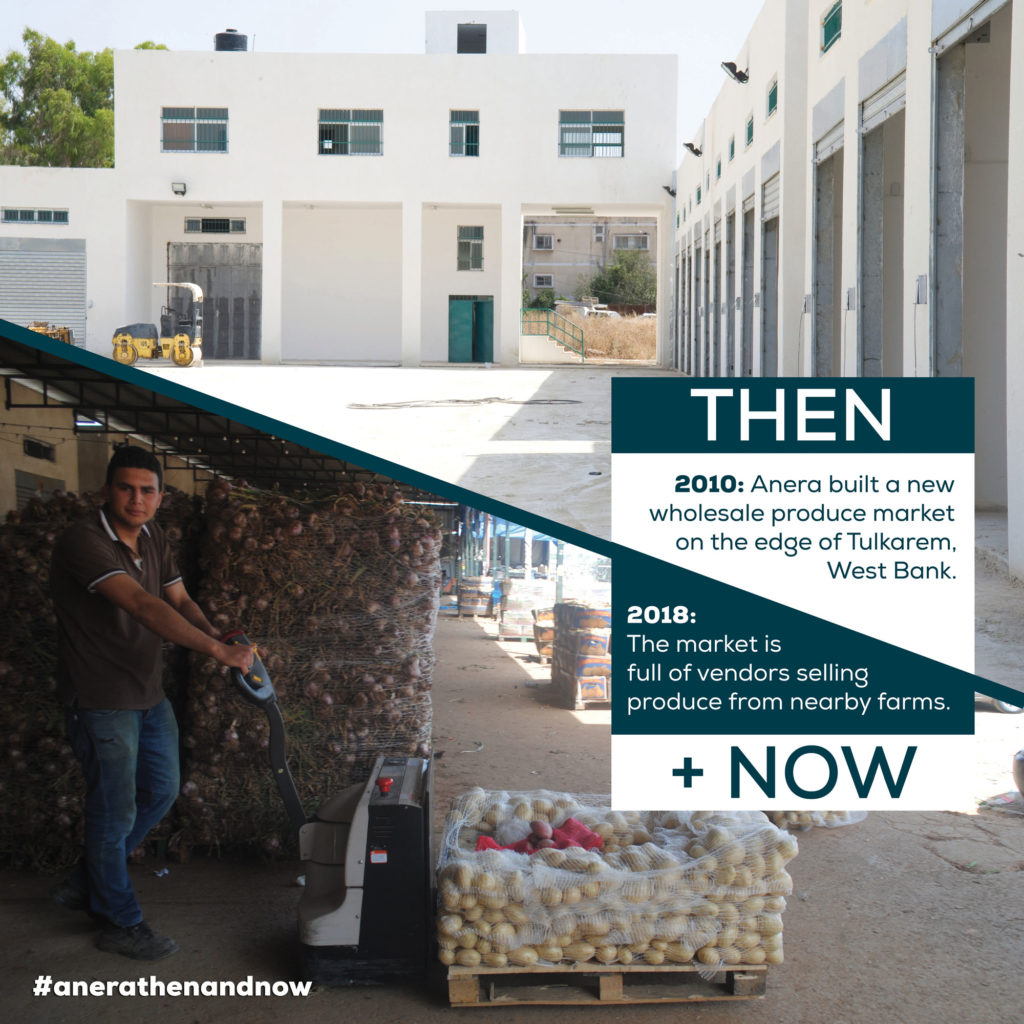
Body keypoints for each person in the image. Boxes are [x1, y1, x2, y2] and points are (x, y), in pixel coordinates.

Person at [49, 446, 254, 961]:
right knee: (113, 813)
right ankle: (118, 920)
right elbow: (142, 605)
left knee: (161, 791)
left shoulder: (155, 538)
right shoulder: (84, 540)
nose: (136, 499)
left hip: (146, 692)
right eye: (125, 487)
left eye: (147, 490)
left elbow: (179, 599)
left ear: (160, 497)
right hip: (101, 699)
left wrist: (224, 637)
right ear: (107, 489)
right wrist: (215, 651)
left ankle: (87, 880)